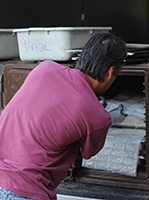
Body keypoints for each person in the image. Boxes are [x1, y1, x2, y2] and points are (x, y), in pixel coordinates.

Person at [0, 32, 127, 200]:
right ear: (111, 72)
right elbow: (88, 152)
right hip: (27, 191)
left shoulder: (44, 68)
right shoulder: (97, 116)